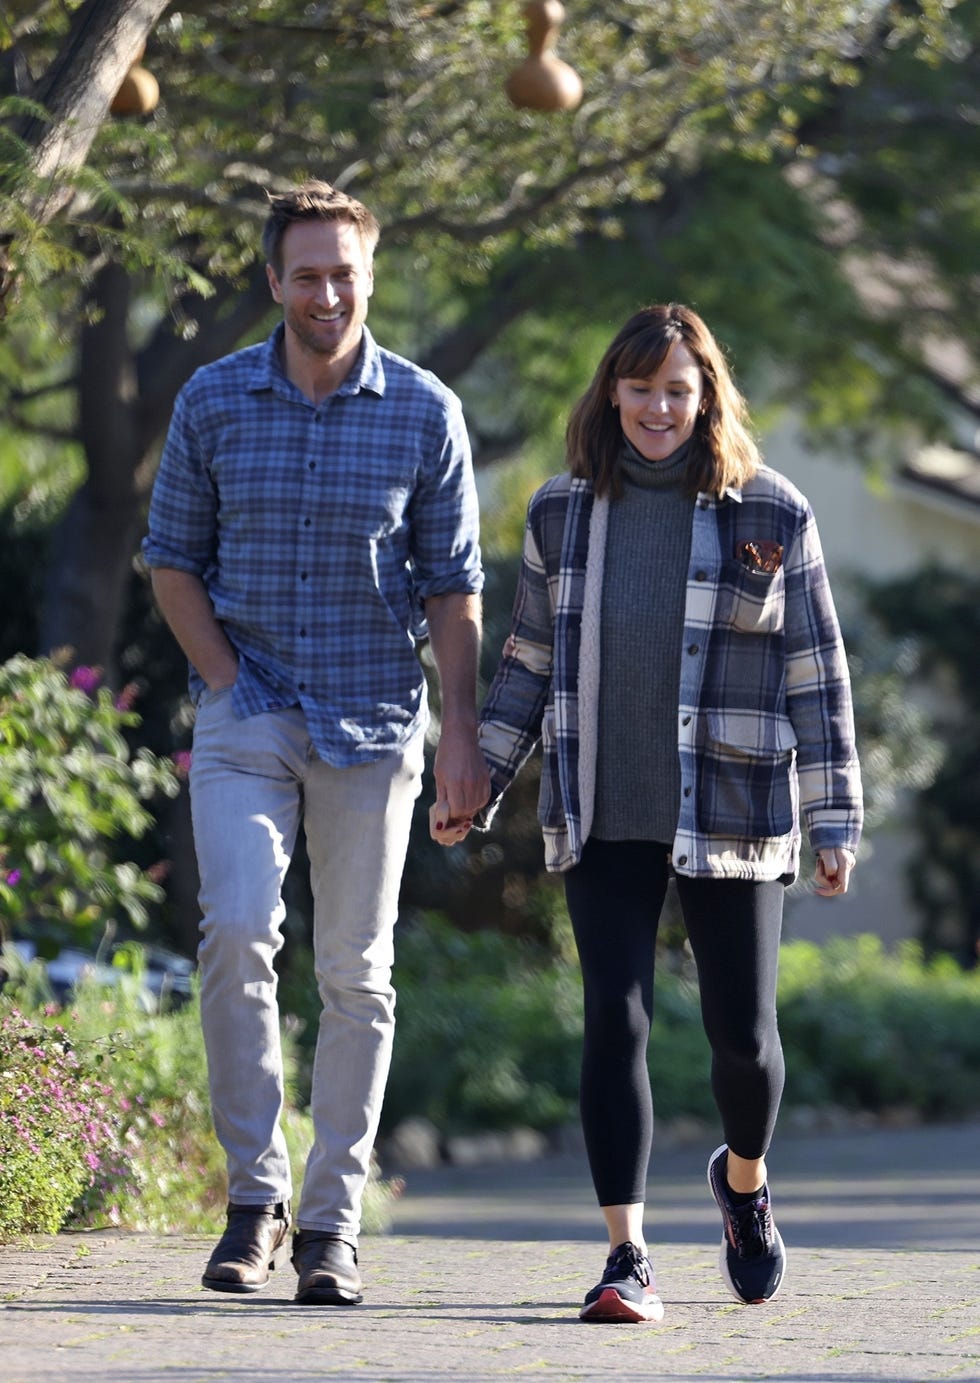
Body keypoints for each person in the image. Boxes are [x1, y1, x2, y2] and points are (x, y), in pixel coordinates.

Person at [432, 304, 862, 1322]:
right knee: (611, 1022)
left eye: (678, 389)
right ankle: (625, 1258)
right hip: (604, 804)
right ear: (610, 395)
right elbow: (525, 667)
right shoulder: (560, 513)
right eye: (640, 389)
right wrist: (477, 783)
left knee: (741, 1043)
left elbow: (815, 675)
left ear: (706, 395)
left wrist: (831, 817)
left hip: (733, 806)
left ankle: (742, 1187)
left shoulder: (771, 513)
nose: (658, 409)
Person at [144, 180, 489, 1305]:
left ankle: (333, 1223)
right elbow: (170, 559)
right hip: (250, 712)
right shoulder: (213, 398)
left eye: (344, 271)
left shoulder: (425, 411)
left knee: (357, 973)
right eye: (305, 273)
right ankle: (256, 1200)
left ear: (371, 275)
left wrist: (461, 741)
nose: (326, 292)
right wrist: (226, 684)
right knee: (237, 930)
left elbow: (453, 589)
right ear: (273, 282)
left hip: (376, 722)